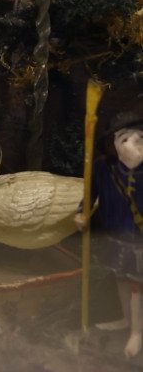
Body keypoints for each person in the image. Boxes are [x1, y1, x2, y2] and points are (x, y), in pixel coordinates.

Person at [86, 109, 143, 358]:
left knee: (136, 284)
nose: (133, 144)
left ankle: (137, 332)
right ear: (114, 144)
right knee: (120, 278)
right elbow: (91, 194)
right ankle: (126, 320)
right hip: (117, 236)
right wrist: (82, 213)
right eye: (125, 138)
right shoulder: (103, 168)